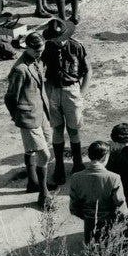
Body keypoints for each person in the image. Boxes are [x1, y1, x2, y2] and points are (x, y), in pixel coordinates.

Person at [4, 33, 52, 209]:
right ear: (28, 48)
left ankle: (33, 181)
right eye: (36, 50)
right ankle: (43, 193)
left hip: (41, 112)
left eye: (41, 49)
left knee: (38, 147)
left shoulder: (37, 61)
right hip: (28, 116)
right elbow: (10, 97)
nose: (40, 53)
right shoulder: (20, 69)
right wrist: (17, 116)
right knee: (45, 154)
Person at [42, 18, 90, 188]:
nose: (59, 40)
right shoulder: (47, 48)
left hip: (71, 90)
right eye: (56, 38)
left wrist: (81, 92)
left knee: (74, 129)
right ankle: (60, 166)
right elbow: (41, 70)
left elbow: (87, 70)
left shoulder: (76, 46)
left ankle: (77, 162)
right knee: (57, 128)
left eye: (62, 36)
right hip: (53, 91)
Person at [68, 141, 128, 242]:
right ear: (106, 156)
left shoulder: (76, 177)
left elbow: (74, 207)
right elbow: (121, 207)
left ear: (89, 155)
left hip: (88, 221)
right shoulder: (114, 178)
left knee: (90, 249)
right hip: (109, 222)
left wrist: (86, 216)